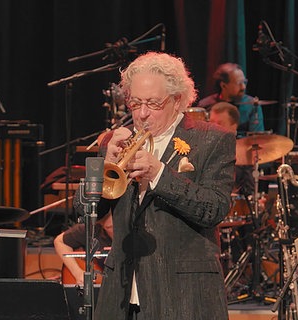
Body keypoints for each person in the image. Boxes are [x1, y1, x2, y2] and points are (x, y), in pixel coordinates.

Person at [93, 52, 235, 319]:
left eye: (153, 103)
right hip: (121, 293)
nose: (143, 114)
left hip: (183, 294)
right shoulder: (113, 141)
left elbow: (214, 209)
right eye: (135, 103)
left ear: (178, 100)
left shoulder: (213, 140)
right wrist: (102, 168)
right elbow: (87, 212)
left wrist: (159, 174)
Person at [197, 63, 265, 137]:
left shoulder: (252, 105)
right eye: (239, 83)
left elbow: (257, 139)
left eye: (244, 82)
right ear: (223, 85)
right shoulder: (205, 105)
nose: (243, 87)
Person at [54, 212, 113, 285]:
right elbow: (59, 242)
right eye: (109, 227)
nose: (115, 231)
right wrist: (78, 273)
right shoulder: (92, 229)